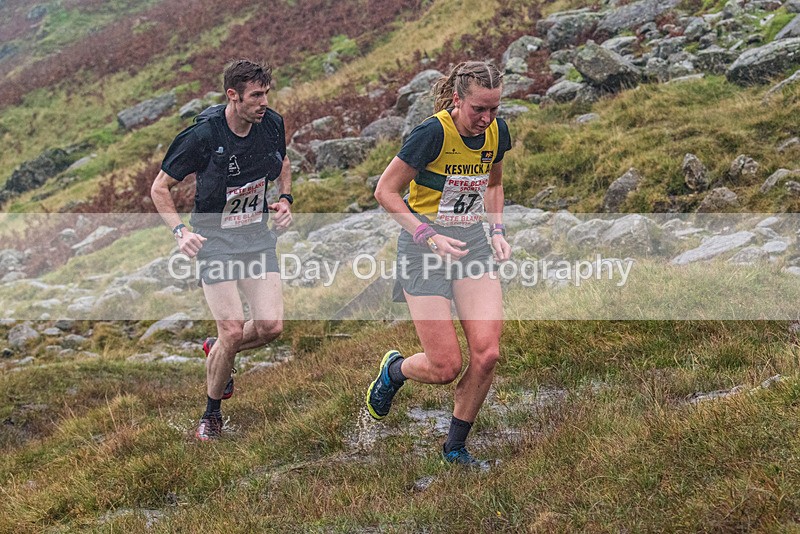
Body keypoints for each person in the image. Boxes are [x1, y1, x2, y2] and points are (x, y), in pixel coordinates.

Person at [365, 61, 512, 468]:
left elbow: (494, 183)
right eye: (478, 109)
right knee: (446, 366)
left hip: (472, 246)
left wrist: (497, 230)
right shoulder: (431, 133)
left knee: (487, 354)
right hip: (424, 249)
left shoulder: (496, 132)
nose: (486, 119)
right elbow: (385, 191)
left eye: (494, 109)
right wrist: (426, 235)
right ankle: (394, 371)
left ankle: (454, 447)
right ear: (457, 100)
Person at [151, 59, 293, 441]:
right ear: (233, 96)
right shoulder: (202, 136)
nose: (264, 103)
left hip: (256, 237)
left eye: (266, 94)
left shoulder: (272, 124)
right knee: (232, 328)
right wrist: (180, 232)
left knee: (271, 327)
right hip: (214, 241)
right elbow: (159, 188)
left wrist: (285, 199)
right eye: (256, 96)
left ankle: (218, 350)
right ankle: (211, 415)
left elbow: (283, 163)